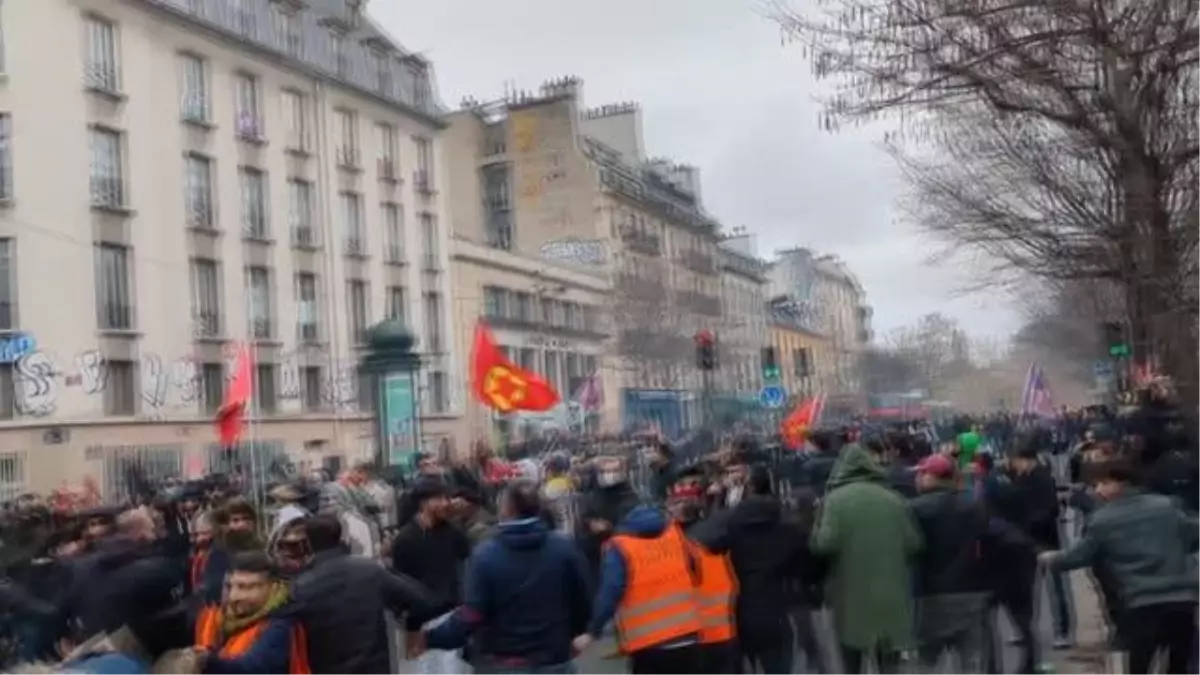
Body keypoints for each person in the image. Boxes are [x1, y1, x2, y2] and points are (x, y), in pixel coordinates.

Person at [1039, 461, 1200, 675]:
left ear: (1121, 484)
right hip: (1182, 599)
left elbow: (1079, 556)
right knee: (1179, 665)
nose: (1097, 490)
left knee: (1140, 663)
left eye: (1104, 483)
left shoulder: (1103, 520)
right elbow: (1193, 534)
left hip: (1140, 602)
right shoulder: (1168, 506)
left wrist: (1051, 558)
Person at [423, 480, 592, 674]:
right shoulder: (565, 549)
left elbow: (472, 615)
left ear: (507, 510)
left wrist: (430, 638)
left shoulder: (485, 555)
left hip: (503, 663)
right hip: (555, 660)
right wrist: (575, 635)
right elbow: (583, 599)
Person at [811, 444, 922, 675]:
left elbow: (824, 545)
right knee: (888, 662)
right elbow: (914, 544)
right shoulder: (894, 499)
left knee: (851, 658)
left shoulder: (834, 501)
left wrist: (815, 526)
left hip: (850, 596)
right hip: (890, 596)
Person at [291, 515, 439, 675]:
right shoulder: (368, 569)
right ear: (341, 537)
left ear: (308, 544)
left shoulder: (301, 586)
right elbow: (421, 600)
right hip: (373, 667)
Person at [576, 504, 701, 675]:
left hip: (649, 641)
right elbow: (695, 567)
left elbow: (611, 592)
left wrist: (593, 630)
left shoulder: (620, 547)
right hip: (687, 632)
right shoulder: (676, 536)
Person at [193, 551, 310, 675]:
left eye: (246, 587)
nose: (234, 596)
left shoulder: (280, 625)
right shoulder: (227, 621)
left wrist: (206, 662)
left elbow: (254, 668)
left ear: (273, 587)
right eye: (232, 586)